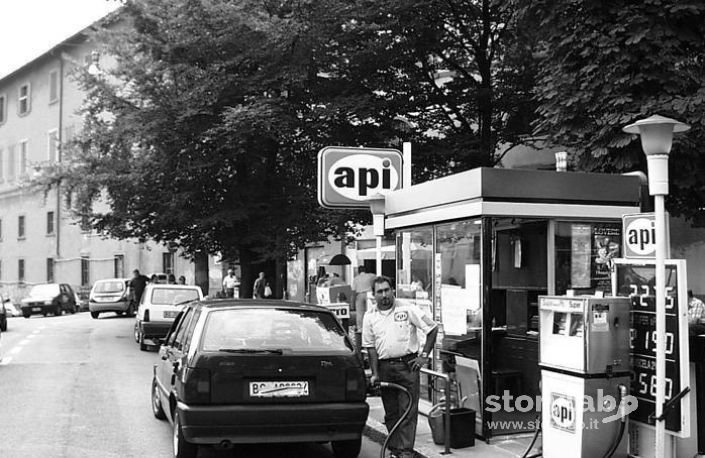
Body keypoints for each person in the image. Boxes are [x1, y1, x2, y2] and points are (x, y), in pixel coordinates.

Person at [363, 276, 439, 458]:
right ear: (374, 295)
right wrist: (374, 373)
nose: (384, 295)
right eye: (379, 292)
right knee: (391, 413)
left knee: (407, 412)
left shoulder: (407, 308)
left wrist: (423, 356)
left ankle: (405, 452)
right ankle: (396, 450)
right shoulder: (370, 316)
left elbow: (433, 328)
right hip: (384, 368)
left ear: (393, 291)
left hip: (407, 366)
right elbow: (370, 347)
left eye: (387, 290)